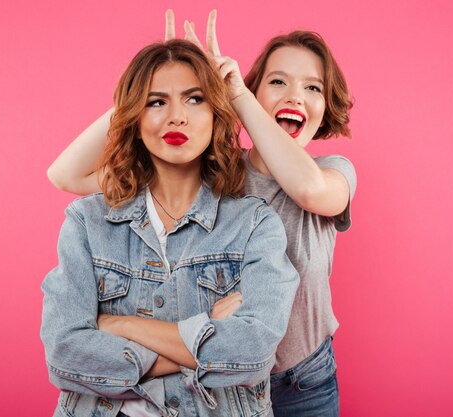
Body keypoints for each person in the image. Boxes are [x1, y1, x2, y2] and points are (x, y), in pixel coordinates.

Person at [47, 10, 356, 417]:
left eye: (312, 87)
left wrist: (120, 327)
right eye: (278, 81)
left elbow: (309, 190)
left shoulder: (331, 172)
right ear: (254, 91)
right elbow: (66, 174)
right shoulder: (215, 173)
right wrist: (153, 83)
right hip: (215, 384)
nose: (295, 97)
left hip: (301, 378)